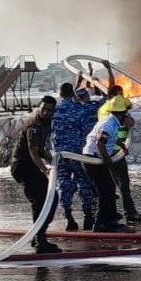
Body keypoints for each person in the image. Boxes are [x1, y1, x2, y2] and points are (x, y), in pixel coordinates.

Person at [11, 96, 62, 253]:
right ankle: (40, 240)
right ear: (38, 107)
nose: (46, 112)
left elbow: (40, 149)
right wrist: (45, 170)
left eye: (50, 110)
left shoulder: (46, 122)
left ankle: (38, 235)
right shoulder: (34, 125)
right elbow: (33, 152)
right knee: (41, 201)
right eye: (43, 109)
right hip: (24, 165)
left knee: (51, 198)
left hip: (31, 165)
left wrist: (53, 158)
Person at [52, 84, 97, 230]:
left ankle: (69, 216)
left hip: (60, 154)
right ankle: (88, 215)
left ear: (60, 94)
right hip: (78, 153)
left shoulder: (54, 110)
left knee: (64, 184)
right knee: (84, 182)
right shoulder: (80, 108)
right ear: (73, 94)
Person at [83, 97, 128, 231]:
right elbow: (100, 143)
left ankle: (110, 220)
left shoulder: (112, 123)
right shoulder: (109, 124)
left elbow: (111, 138)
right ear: (121, 113)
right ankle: (100, 224)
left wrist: (122, 146)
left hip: (97, 158)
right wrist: (107, 160)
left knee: (109, 188)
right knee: (104, 191)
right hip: (93, 160)